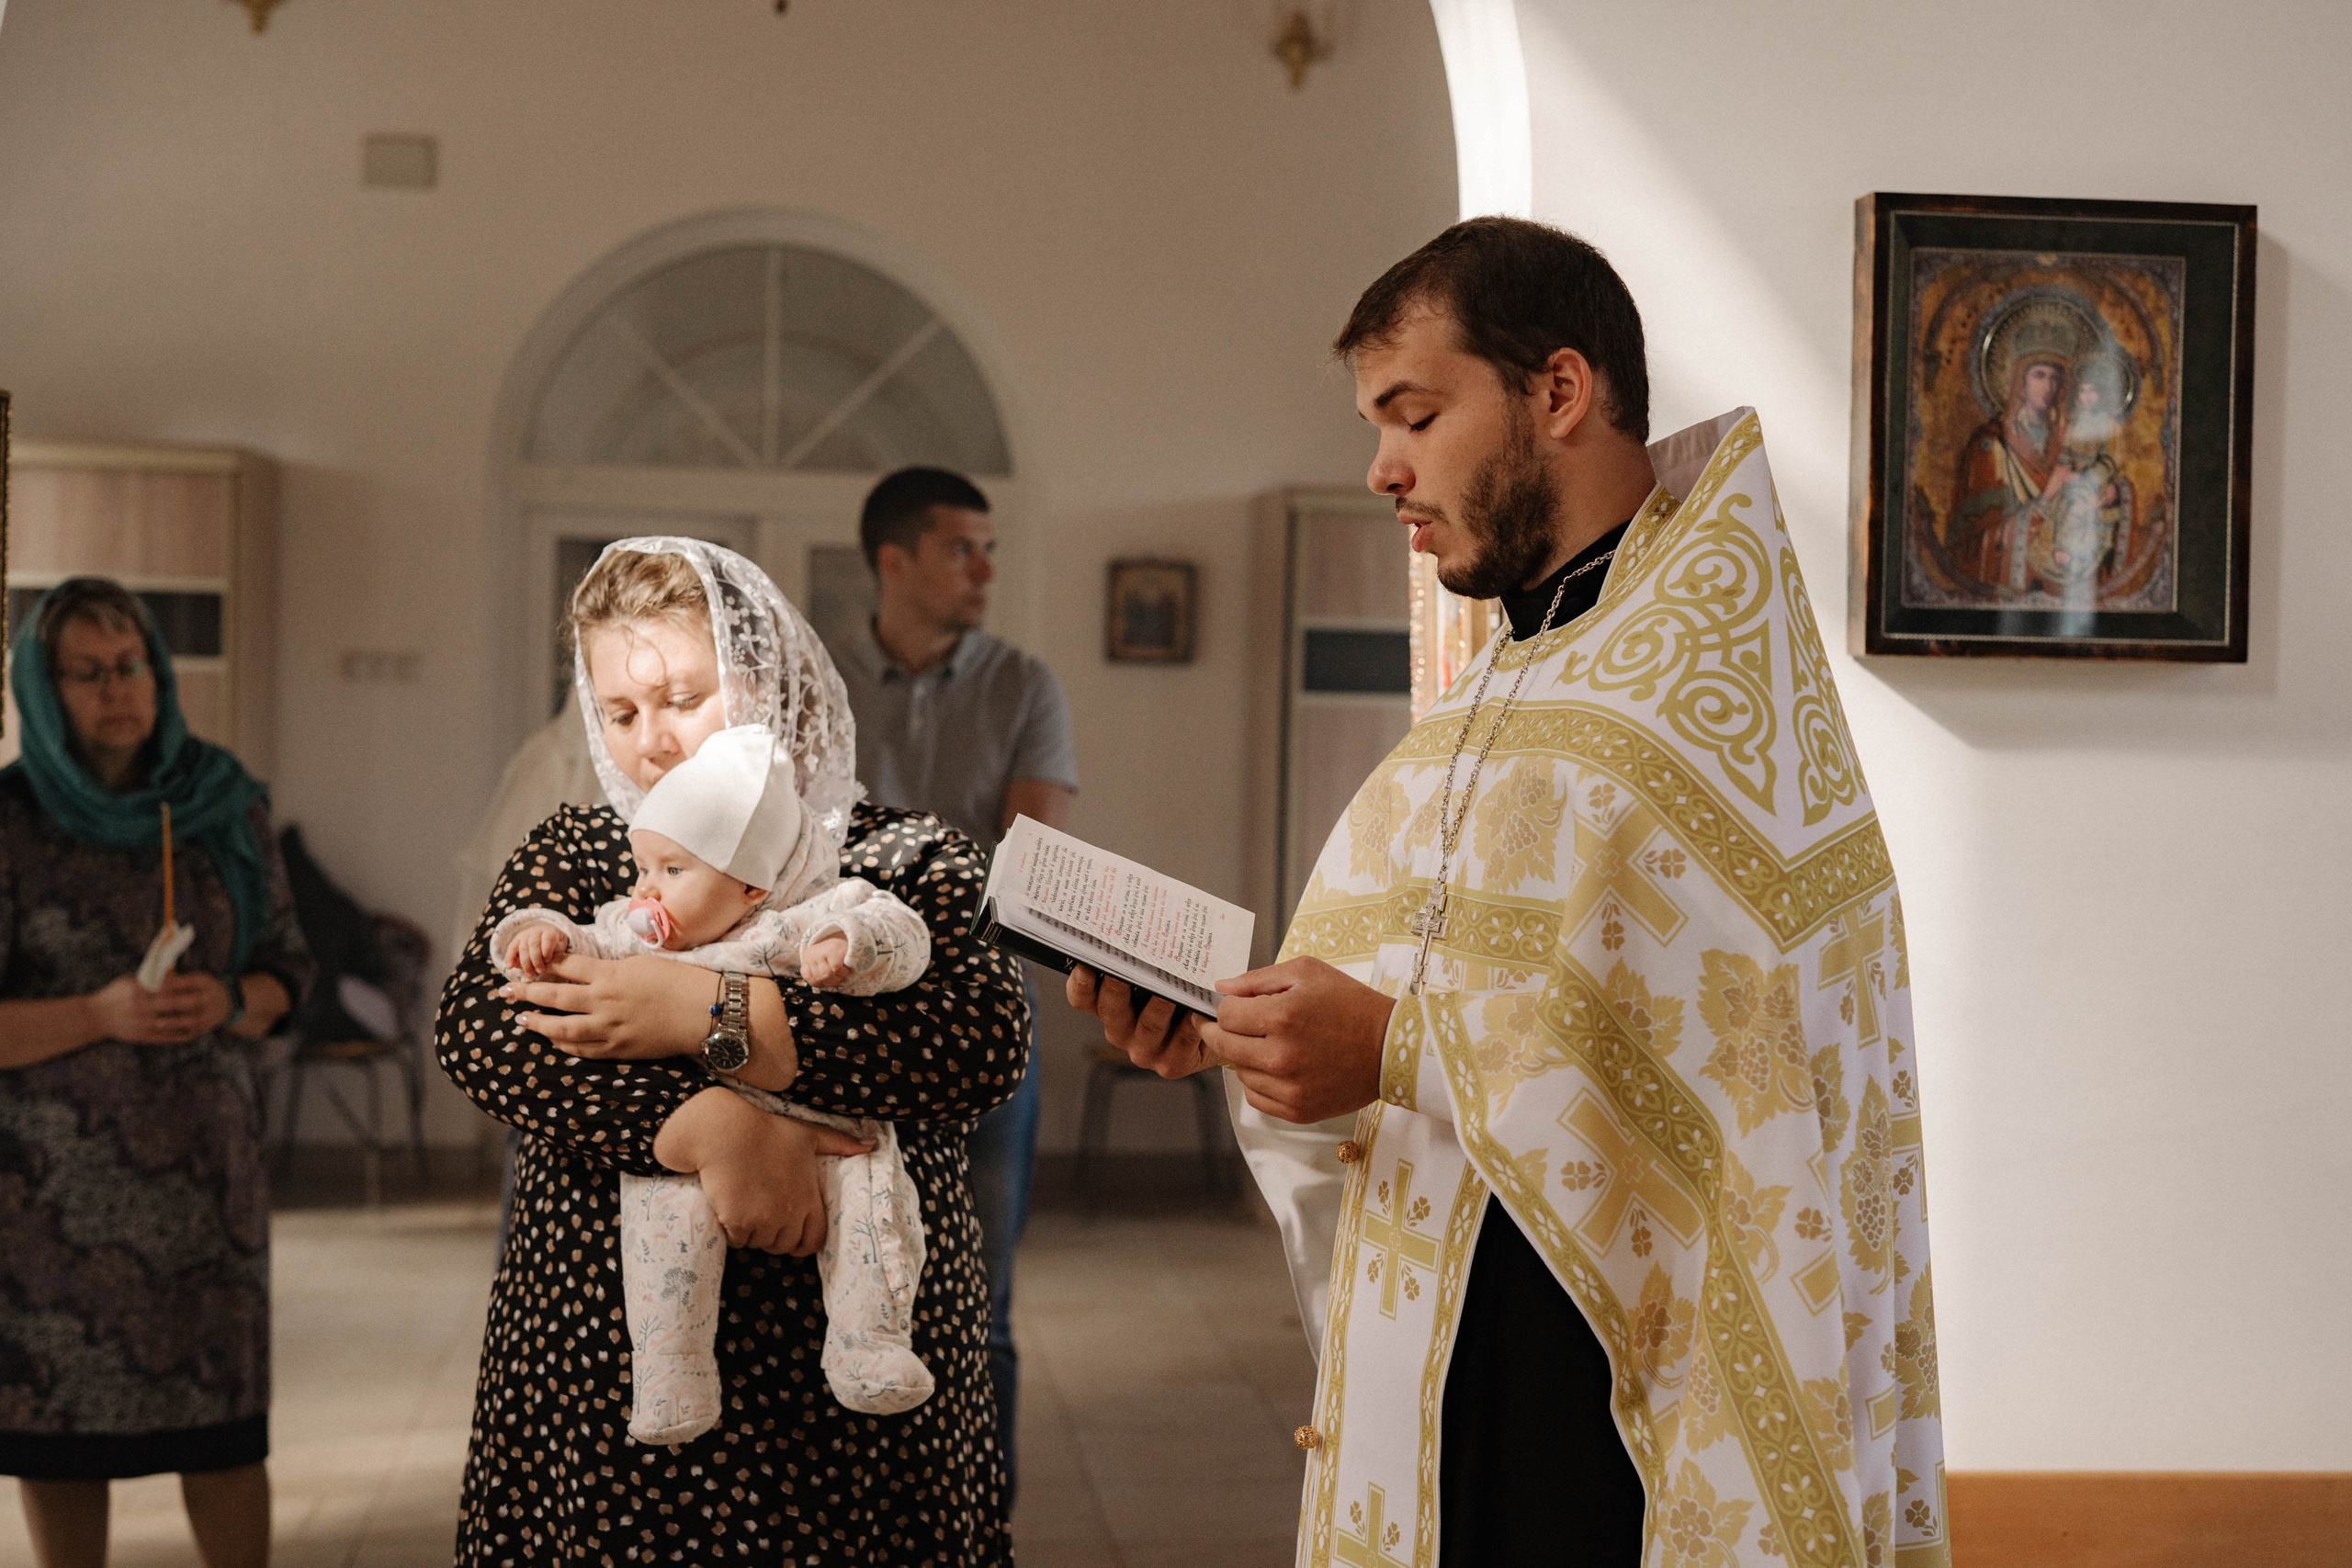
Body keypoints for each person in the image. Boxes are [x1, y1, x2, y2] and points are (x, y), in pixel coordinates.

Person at [1070, 219, 1949, 1567]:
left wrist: (1392, 1045)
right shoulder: (1504, 687)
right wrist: (1236, 1032)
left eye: (1415, 414)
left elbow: (1745, 1081)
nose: (1383, 467)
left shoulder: (1699, 704)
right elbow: (1408, 1011)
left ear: (1558, 391)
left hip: (1601, 1401)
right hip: (1442, 1359)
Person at [438, 537, 1025, 1564]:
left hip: (853, 1374)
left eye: (682, 697)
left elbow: (976, 1044)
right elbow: (485, 1034)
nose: (652, 741)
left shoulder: (905, 855)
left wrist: (695, 1010)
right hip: (610, 1359)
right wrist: (705, 1126)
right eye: (621, 712)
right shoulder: (579, 854)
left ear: (766, 679)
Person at [492, 722, 936, 1441]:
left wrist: (849, 947)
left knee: (874, 1205)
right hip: (691, 1141)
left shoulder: (799, 917)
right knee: (664, 1231)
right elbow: (585, 942)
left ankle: (870, 1344)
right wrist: (542, 937)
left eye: (671, 870)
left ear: (749, 882)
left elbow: (900, 930)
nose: (644, 891)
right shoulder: (638, 934)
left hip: (830, 1134)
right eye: (642, 868)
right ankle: (671, 1374)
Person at [0, 578, 312, 1568]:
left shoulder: (222, 799)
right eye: (87, 673)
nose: (116, 691)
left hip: (204, 1182)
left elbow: (291, 973)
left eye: (130, 666)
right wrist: (99, 1014)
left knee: (220, 1426)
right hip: (50, 1203)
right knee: (61, 1438)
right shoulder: (10, 820)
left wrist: (229, 1000)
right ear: (42, 689)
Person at [832, 466, 1078, 1497]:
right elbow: (785, 862)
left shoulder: (1023, 684)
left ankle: (979, 1524)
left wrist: (872, 880)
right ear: (894, 560)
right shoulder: (819, 680)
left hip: (981, 1032)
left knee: (982, 1298)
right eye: (960, 548)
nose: (984, 569)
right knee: (839, 1294)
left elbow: (1027, 870)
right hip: (832, 1029)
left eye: (989, 549)